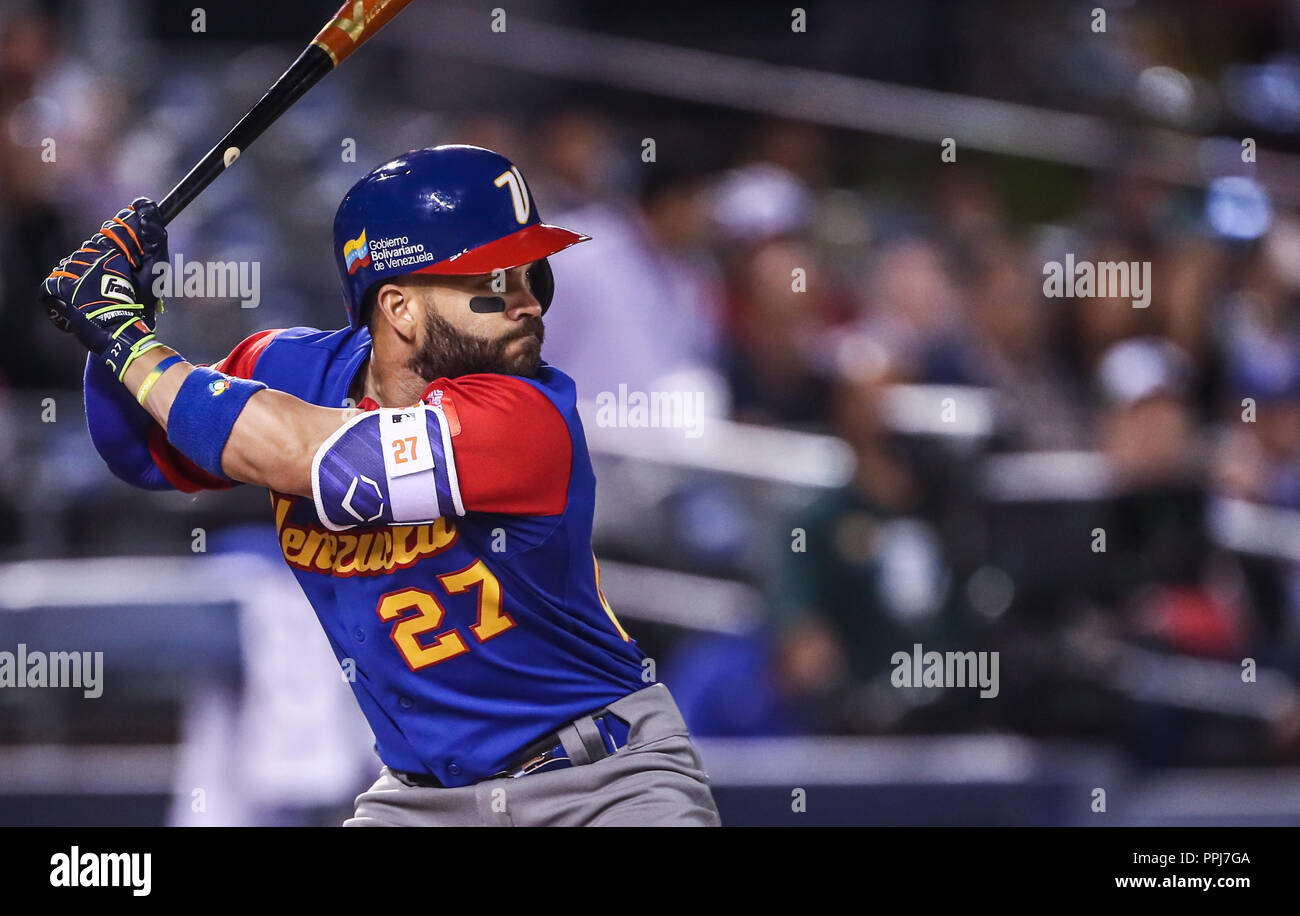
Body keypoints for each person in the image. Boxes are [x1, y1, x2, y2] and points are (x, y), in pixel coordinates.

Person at [40, 144, 721, 827]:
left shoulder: (529, 418)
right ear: (398, 306)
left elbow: (313, 458)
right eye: (493, 281)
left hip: (600, 781)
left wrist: (126, 340)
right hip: (422, 797)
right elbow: (142, 450)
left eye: (532, 276)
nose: (528, 304)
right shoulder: (286, 369)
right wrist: (119, 322)